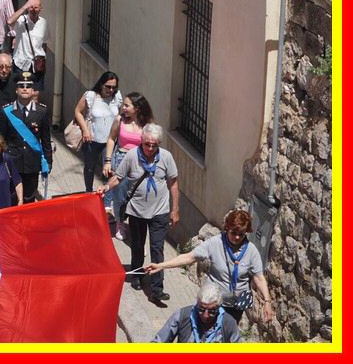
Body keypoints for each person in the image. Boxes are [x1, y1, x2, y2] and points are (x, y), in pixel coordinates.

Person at [145, 208, 274, 324]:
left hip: (235, 306)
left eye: (241, 234)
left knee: (225, 337)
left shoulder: (251, 251)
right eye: (234, 232)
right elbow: (189, 257)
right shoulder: (215, 243)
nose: (237, 237)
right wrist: (161, 266)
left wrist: (267, 302)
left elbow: (259, 278)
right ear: (227, 228)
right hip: (212, 303)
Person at [98, 123, 179, 306]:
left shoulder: (166, 157)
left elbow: (173, 183)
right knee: (137, 246)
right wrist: (106, 187)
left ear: (159, 144)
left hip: (160, 211)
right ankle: (136, 275)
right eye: (147, 144)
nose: (150, 148)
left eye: (154, 145)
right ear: (141, 141)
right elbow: (118, 177)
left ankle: (157, 289)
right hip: (136, 211)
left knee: (157, 249)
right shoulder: (132, 156)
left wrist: (175, 209)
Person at [0, 71, 52, 204]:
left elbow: (45, 139)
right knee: (12, 197)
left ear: (33, 91)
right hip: (12, 162)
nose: (25, 89)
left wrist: (48, 161)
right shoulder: (6, 111)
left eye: (28, 86)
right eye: (21, 86)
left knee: (29, 198)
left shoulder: (42, 111)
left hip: (32, 162)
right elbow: (0, 139)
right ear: (16, 90)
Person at [103, 91, 151, 238]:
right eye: (123, 105)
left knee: (137, 195)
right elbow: (111, 139)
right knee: (120, 195)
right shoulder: (120, 120)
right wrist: (108, 161)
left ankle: (136, 224)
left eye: (126, 105)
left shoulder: (147, 125)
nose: (123, 108)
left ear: (137, 108)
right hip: (121, 159)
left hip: (139, 162)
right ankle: (120, 223)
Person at [75, 71, 123, 193]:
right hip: (92, 140)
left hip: (110, 141)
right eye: (108, 86)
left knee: (108, 169)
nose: (111, 90)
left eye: (113, 87)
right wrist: (85, 130)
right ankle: (88, 191)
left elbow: (121, 115)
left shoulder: (117, 97)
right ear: (101, 84)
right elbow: (78, 112)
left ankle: (106, 194)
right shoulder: (91, 96)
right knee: (89, 167)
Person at [152, 282, 241, 343]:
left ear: (219, 307)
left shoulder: (229, 323)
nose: (205, 315)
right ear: (197, 303)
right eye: (201, 309)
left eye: (212, 311)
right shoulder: (182, 315)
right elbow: (158, 342)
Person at [8, 0, 48, 88]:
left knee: (36, 93)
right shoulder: (21, 20)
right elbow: (10, 21)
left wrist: (42, 61)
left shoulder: (44, 23)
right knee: (20, 91)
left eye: (36, 7)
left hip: (37, 66)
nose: (33, 10)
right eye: (31, 7)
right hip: (21, 64)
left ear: (40, 9)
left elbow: (44, 44)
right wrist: (24, 7)